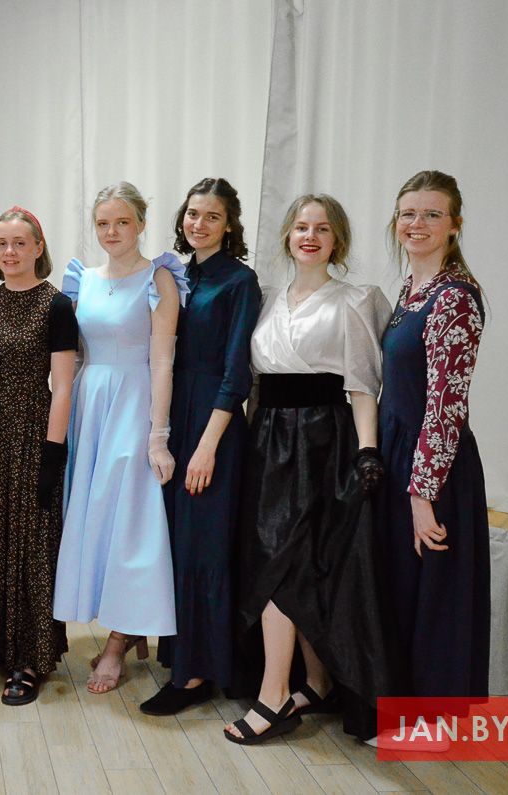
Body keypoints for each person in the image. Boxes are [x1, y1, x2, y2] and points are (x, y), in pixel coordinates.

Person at [225, 195, 393, 745]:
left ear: (336, 239)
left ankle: (274, 696)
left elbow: (363, 383)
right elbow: (254, 384)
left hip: (323, 441)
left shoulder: (355, 300)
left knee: (290, 563)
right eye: (301, 227)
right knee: (283, 562)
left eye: (322, 228)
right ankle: (316, 683)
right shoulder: (268, 299)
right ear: (288, 236)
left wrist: (367, 453)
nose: (310, 236)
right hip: (267, 441)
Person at [53, 182, 187, 694]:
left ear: (141, 224)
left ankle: (118, 642)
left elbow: (163, 361)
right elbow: (74, 357)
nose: (112, 232)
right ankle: (118, 630)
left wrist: (158, 436)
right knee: (99, 520)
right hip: (91, 406)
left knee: (132, 523)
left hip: (135, 402)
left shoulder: (158, 278)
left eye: (122, 222)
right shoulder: (82, 279)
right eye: (103, 223)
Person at [142, 177, 260, 715]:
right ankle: (180, 656)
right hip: (173, 421)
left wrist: (208, 447)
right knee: (174, 542)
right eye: (193, 213)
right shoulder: (173, 274)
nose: (200, 224)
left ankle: (196, 675)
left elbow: (237, 374)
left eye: (212, 216)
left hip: (213, 425)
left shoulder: (239, 281)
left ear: (229, 224)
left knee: (202, 548)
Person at [375, 170, 487, 704]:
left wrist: (423, 495)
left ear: (454, 224)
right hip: (399, 450)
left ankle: (432, 722)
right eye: (408, 213)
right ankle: (401, 713)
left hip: (432, 464)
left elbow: (446, 406)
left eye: (432, 214)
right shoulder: (412, 290)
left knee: (433, 595)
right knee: (403, 589)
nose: (416, 223)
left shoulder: (455, 298)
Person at [0, 207, 78, 706]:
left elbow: (63, 387)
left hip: (36, 436)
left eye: (19, 243)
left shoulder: (57, 306)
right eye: (2, 244)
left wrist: (53, 455)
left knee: (33, 547)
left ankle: (31, 658)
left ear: (38, 248)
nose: (10, 252)